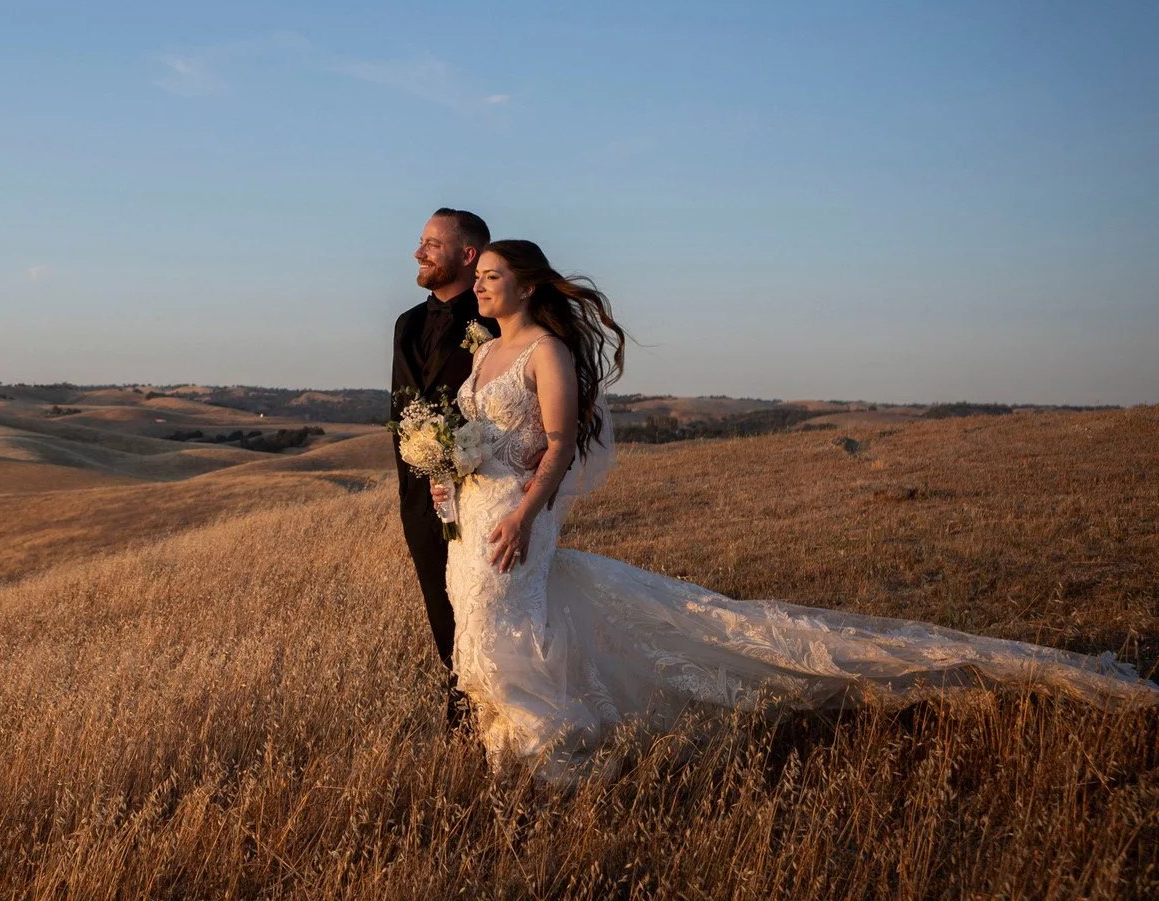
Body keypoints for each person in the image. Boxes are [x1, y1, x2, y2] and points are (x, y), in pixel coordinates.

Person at [433, 237, 1156, 773]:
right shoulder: (480, 355)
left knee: (505, 631)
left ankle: (561, 754)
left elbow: (558, 445)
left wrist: (527, 515)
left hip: (516, 517)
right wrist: (445, 475)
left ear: (527, 288)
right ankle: (513, 752)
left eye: (494, 277)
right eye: (482, 277)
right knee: (482, 635)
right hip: (469, 519)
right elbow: (475, 435)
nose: (483, 286)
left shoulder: (546, 354)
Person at [392, 208, 497, 730]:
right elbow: (400, 412)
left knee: (483, 612)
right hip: (420, 503)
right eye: (422, 241)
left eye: (433, 244)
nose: (420, 251)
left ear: (467, 255)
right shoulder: (405, 324)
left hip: (482, 494)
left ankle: (490, 716)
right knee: (441, 613)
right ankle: (462, 719)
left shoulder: (495, 323)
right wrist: (414, 492)